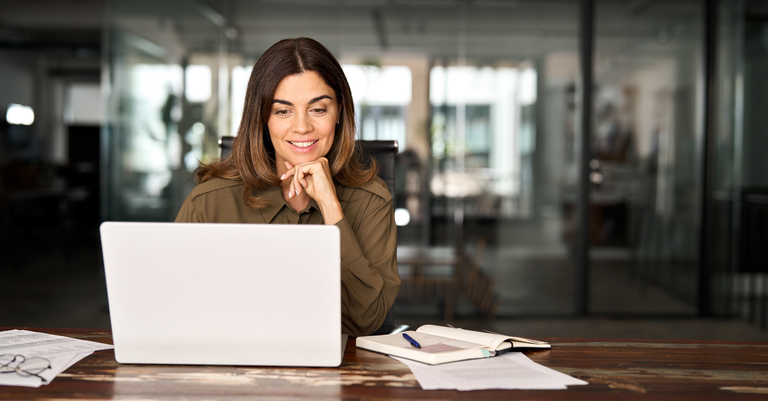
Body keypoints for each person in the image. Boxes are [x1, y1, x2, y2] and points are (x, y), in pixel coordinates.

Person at [175, 37, 399, 337]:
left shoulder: (371, 201)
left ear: (339, 112)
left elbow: (366, 321)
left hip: (339, 375)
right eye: (283, 111)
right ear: (263, 117)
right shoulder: (207, 203)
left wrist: (333, 209)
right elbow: (175, 311)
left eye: (318, 109)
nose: (302, 127)